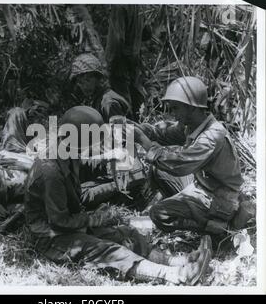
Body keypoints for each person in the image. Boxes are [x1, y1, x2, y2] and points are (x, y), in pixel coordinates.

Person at [24, 105, 211, 285]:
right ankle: (176, 275)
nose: (90, 148)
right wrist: (94, 220)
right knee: (107, 250)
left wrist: (109, 158)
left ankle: (175, 261)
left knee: (126, 234)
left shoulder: (64, 148)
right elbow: (59, 221)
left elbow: (83, 165)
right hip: (51, 237)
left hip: (69, 226)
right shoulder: (50, 172)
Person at [132, 76, 243, 235]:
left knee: (158, 214)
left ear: (192, 108)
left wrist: (144, 142)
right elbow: (164, 134)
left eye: (176, 108)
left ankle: (219, 228)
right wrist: (141, 129)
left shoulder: (212, 136)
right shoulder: (193, 125)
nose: (173, 114)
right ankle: (185, 207)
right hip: (203, 185)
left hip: (220, 198)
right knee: (159, 170)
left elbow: (180, 165)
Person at [105, 5, 151, 119]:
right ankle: (136, 130)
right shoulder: (139, 5)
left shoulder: (119, 5)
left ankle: (125, 134)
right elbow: (147, 33)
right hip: (134, 60)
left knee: (122, 103)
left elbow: (117, 38)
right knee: (135, 101)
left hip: (120, 60)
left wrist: (109, 64)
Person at [69, 53, 131, 122]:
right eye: (80, 82)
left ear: (97, 78)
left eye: (87, 80)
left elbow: (119, 132)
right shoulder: (95, 99)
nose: (84, 86)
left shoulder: (108, 102)